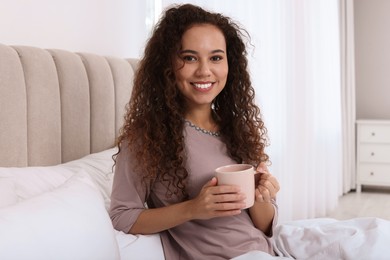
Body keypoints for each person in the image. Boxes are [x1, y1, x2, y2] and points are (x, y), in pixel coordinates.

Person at [109, 3, 280, 259]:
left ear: (229, 65)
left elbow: (264, 227)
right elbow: (122, 216)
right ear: (167, 65)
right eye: (189, 58)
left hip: (265, 252)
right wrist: (193, 209)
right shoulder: (148, 137)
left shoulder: (237, 128)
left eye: (216, 58)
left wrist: (262, 195)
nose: (204, 71)